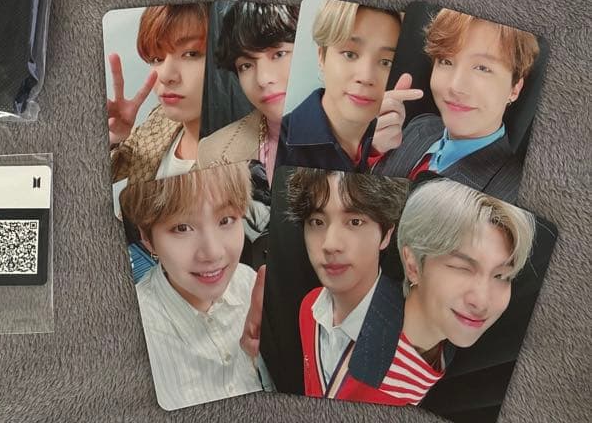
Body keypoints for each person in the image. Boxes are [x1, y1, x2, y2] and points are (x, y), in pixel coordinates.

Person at [327, 178, 536, 406]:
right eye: (462, 268)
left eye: (502, 276)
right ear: (413, 266)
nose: (482, 301)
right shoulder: (357, 357)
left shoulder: (445, 344)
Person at [120, 163, 271, 410]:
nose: (213, 252)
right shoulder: (136, 331)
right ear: (147, 238)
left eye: (226, 220)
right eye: (182, 228)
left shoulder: (249, 284)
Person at [372, 9, 540, 201]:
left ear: (514, 89)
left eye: (482, 68)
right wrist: (375, 152)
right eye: (446, 61)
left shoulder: (513, 192)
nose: (455, 86)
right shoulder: (421, 125)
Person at [288, 170, 409, 397]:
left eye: (355, 222)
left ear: (385, 235)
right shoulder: (309, 307)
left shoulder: (409, 333)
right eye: (317, 222)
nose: (330, 244)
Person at [276, 1, 414, 171]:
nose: (366, 77)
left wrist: (375, 153)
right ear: (322, 56)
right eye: (350, 54)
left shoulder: (400, 143)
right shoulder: (275, 146)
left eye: (386, 62)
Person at [197, 2, 299, 184]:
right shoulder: (211, 152)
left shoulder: (354, 140)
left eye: (279, 54)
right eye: (246, 65)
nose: (262, 79)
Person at [108, 3, 209, 185]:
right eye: (156, 59)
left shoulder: (255, 150)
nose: (165, 75)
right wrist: (113, 139)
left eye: (191, 54)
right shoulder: (159, 119)